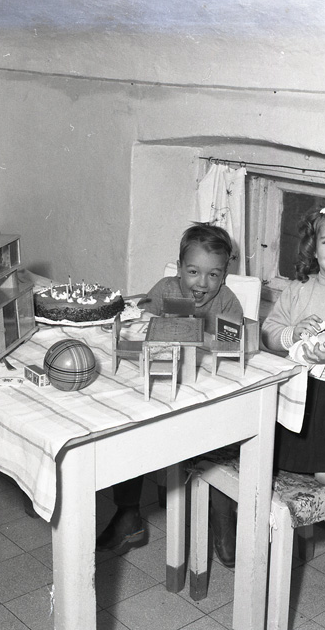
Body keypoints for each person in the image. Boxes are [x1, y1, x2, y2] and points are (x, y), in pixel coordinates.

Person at [211, 201, 325, 567]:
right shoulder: (298, 289)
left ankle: (310, 471)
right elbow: (268, 333)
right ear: (315, 246)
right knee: (249, 451)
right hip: (298, 396)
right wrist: (292, 332)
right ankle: (247, 520)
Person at [96, 221, 243, 554]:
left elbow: (234, 346)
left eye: (213, 274)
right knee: (127, 425)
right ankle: (128, 514)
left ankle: (222, 516)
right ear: (179, 268)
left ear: (224, 275)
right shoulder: (165, 289)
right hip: (162, 386)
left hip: (205, 400)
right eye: (193, 272)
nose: (202, 283)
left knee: (223, 437)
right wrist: (147, 323)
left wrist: (200, 336)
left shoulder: (227, 302)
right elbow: (139, 320)